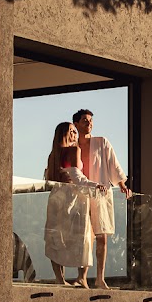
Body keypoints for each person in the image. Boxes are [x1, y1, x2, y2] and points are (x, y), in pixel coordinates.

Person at [43, 122, 106, 289]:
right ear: (64, 134)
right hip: (73, 198)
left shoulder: (53, 155)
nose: (75, 134)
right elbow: (77, 177)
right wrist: (96, 185)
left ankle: (59, 278)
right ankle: (82, 278)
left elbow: (49, 178)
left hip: (56, 197)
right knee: (84, 236)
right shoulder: (74, 150)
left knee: (56, 237)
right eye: (71, 131)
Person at [73, 109, 130, 290]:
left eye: (90, 120)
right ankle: (82, 277)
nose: (89, 123)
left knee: (102, 236)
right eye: (84, 120)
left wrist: (122, 185)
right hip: (81, 194)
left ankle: (100, 278)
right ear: (76, 124)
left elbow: (113, 164)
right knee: (84, 236)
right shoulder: (72, 145)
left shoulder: (101, 142)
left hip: (101, 193)